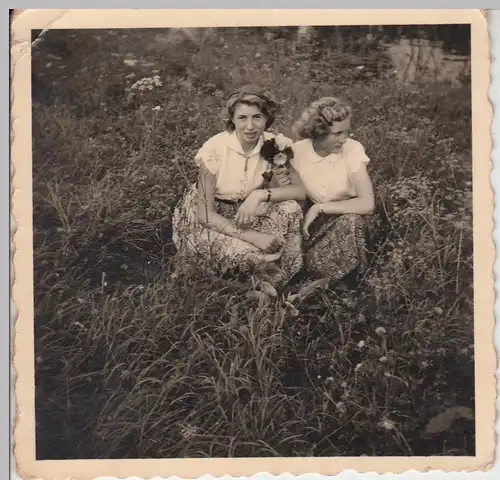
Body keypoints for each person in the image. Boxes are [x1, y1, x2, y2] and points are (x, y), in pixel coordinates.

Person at [172, 85, 306, 288]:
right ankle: (253, 279)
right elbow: (204, 215)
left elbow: (299, 191)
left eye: (257, 117)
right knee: (247, 257)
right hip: (211, 218)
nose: (250, 126)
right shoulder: (214, 149)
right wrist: (253, 236)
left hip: (247, 210)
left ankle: (282, 277)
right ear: (232, 119)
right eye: (242, 118)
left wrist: (259, 195)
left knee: (291, 208)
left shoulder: (274, 144)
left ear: (267, 119)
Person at [289, 96, 379, 288]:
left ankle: (346, 285)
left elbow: (367, 204)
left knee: (352, 221)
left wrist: (320, 208)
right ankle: (313, 280)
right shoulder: (297, 152)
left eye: (346, 132)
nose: (344, 139)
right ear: (317, 133)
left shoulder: (352, 149)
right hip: (314, 224)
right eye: (337, 134)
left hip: (351, 215)